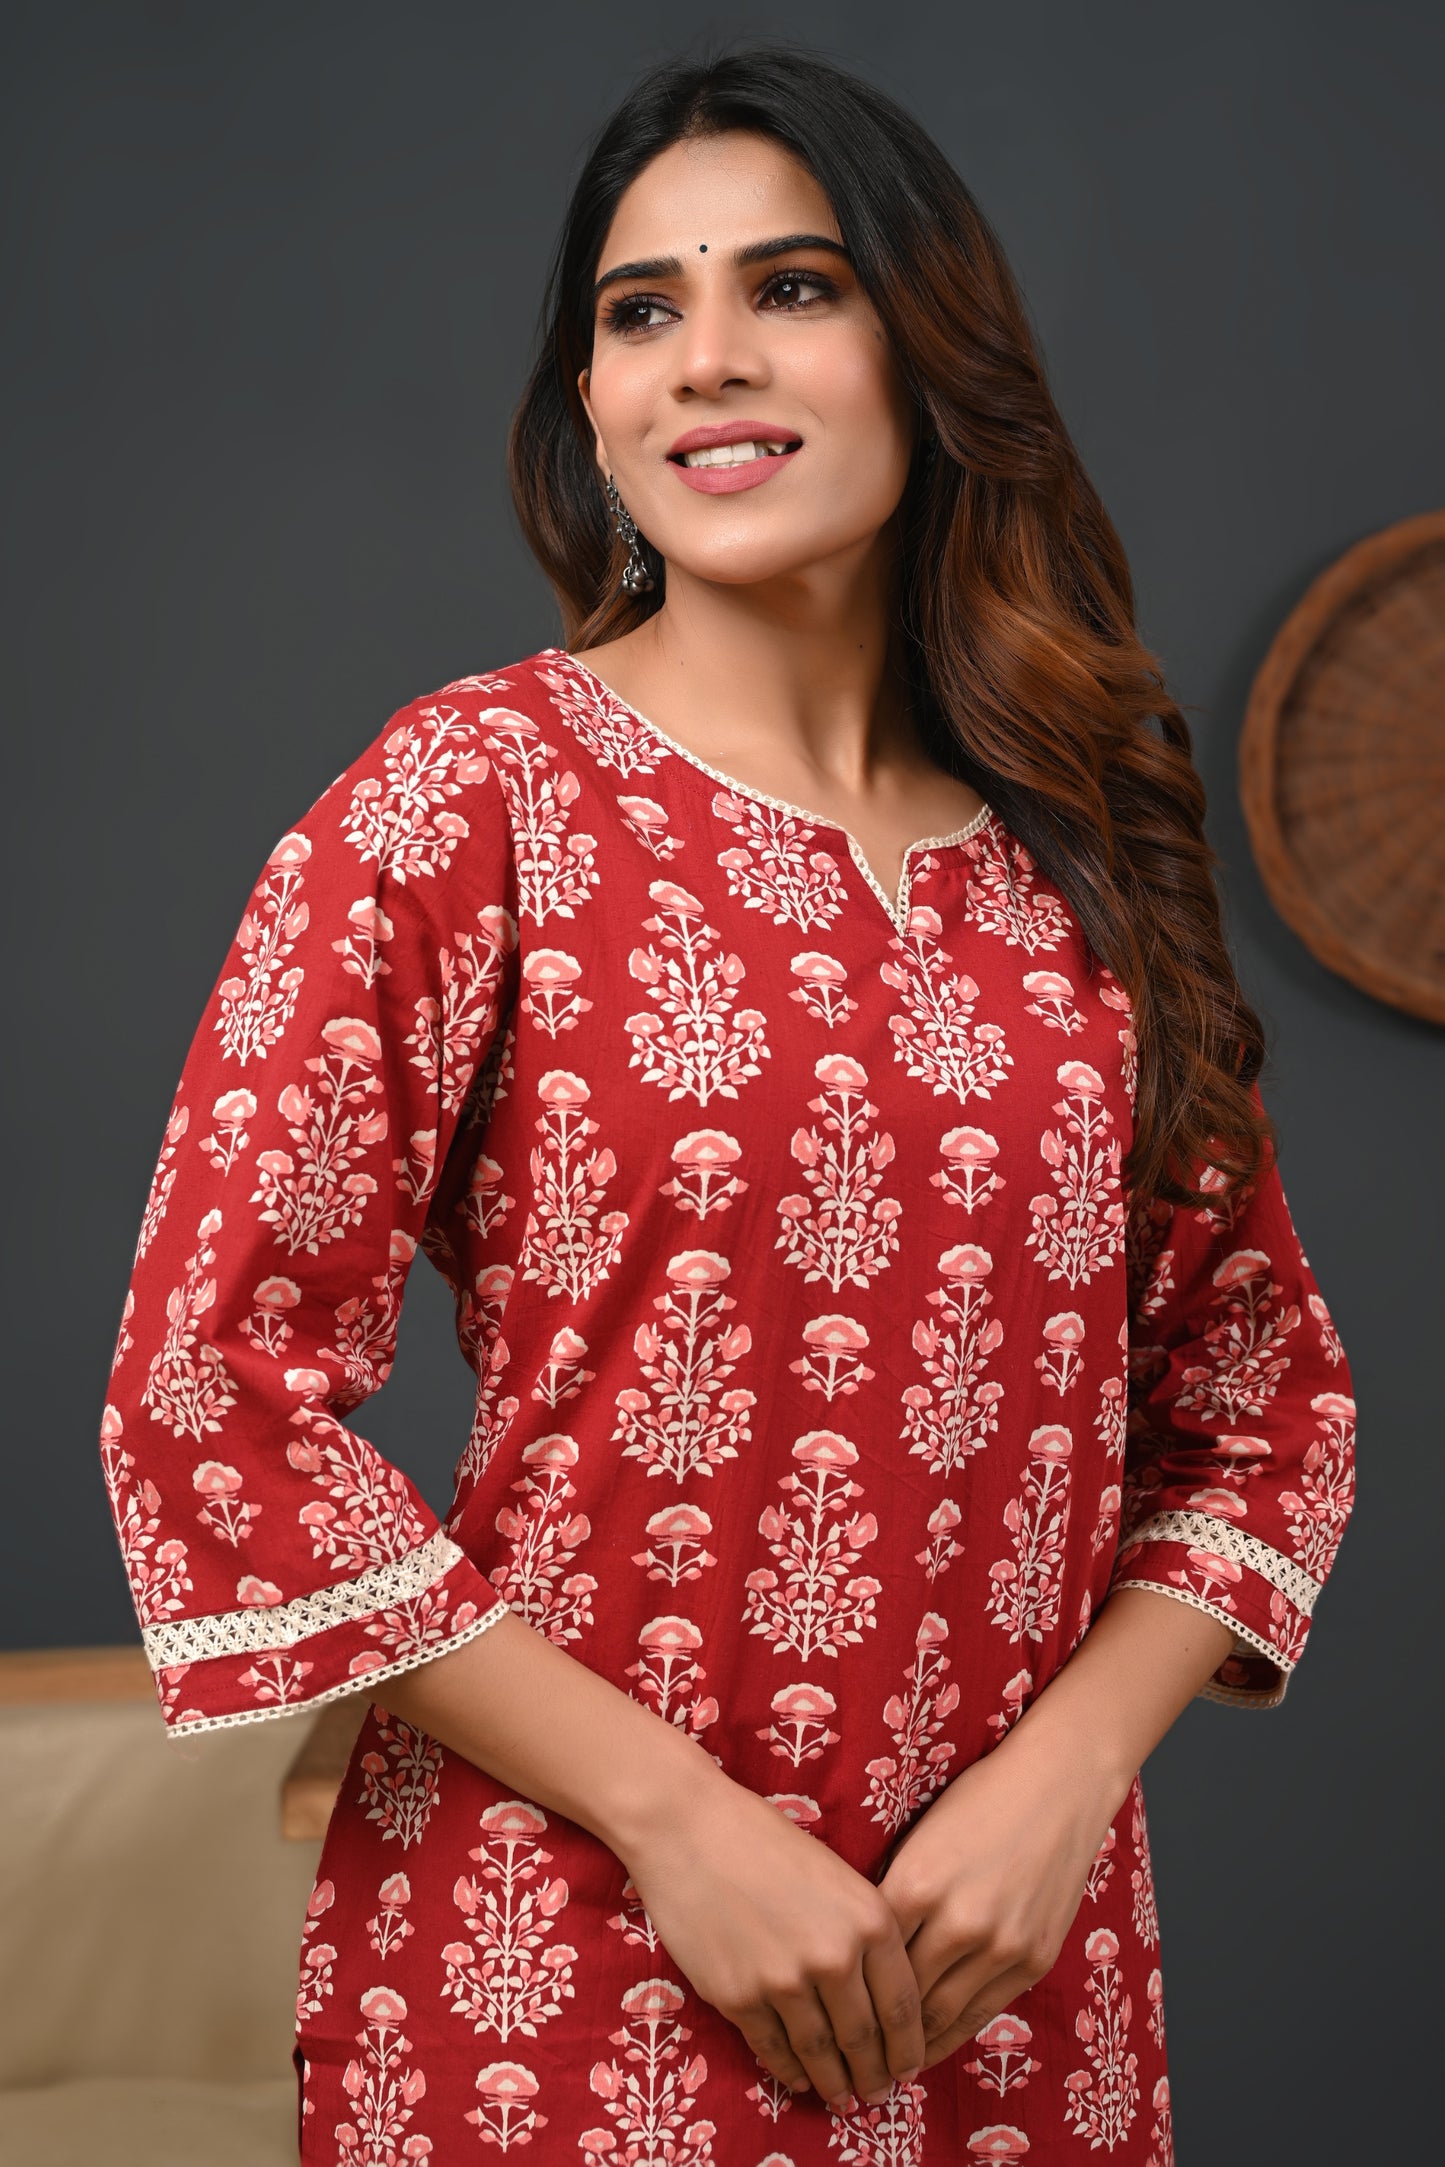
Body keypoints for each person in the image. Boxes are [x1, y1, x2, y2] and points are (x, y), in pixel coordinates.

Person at [99, 46, 1356, 2165]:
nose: (704, 361)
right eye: (640, 310)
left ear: (928, 346)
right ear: (586, 405)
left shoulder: (1080, 869)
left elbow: (1262, 1392)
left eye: (791, 286)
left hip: (1008, 1983)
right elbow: (208, 1390)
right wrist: (687, 1825)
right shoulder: (466, 802)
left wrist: (1063, 1790)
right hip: (570, 1954)